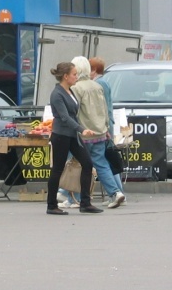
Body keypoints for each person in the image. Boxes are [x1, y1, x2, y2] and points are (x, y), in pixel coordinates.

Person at [45, 62, 103, 216]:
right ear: (65, 76)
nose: (76, 77)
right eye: (74, 74)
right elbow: (64, 117)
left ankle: (85, 203)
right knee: (57, 169)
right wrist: (82, 129)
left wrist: (81, 128)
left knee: (87, 163)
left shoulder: (70, 91)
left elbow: (74, 114)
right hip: (61, 135)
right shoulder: (57, 94)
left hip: (72, 135)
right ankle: (51, 205)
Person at [71, 56, 125, 209]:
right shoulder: (97, 86)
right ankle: (115, 192)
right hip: (100, 132)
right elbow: (105, 109)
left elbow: (74, 111)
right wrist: (106, 128)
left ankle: (78, 197)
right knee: (101, 164)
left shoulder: (76, 88)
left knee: (82, 166)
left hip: (84, 133)